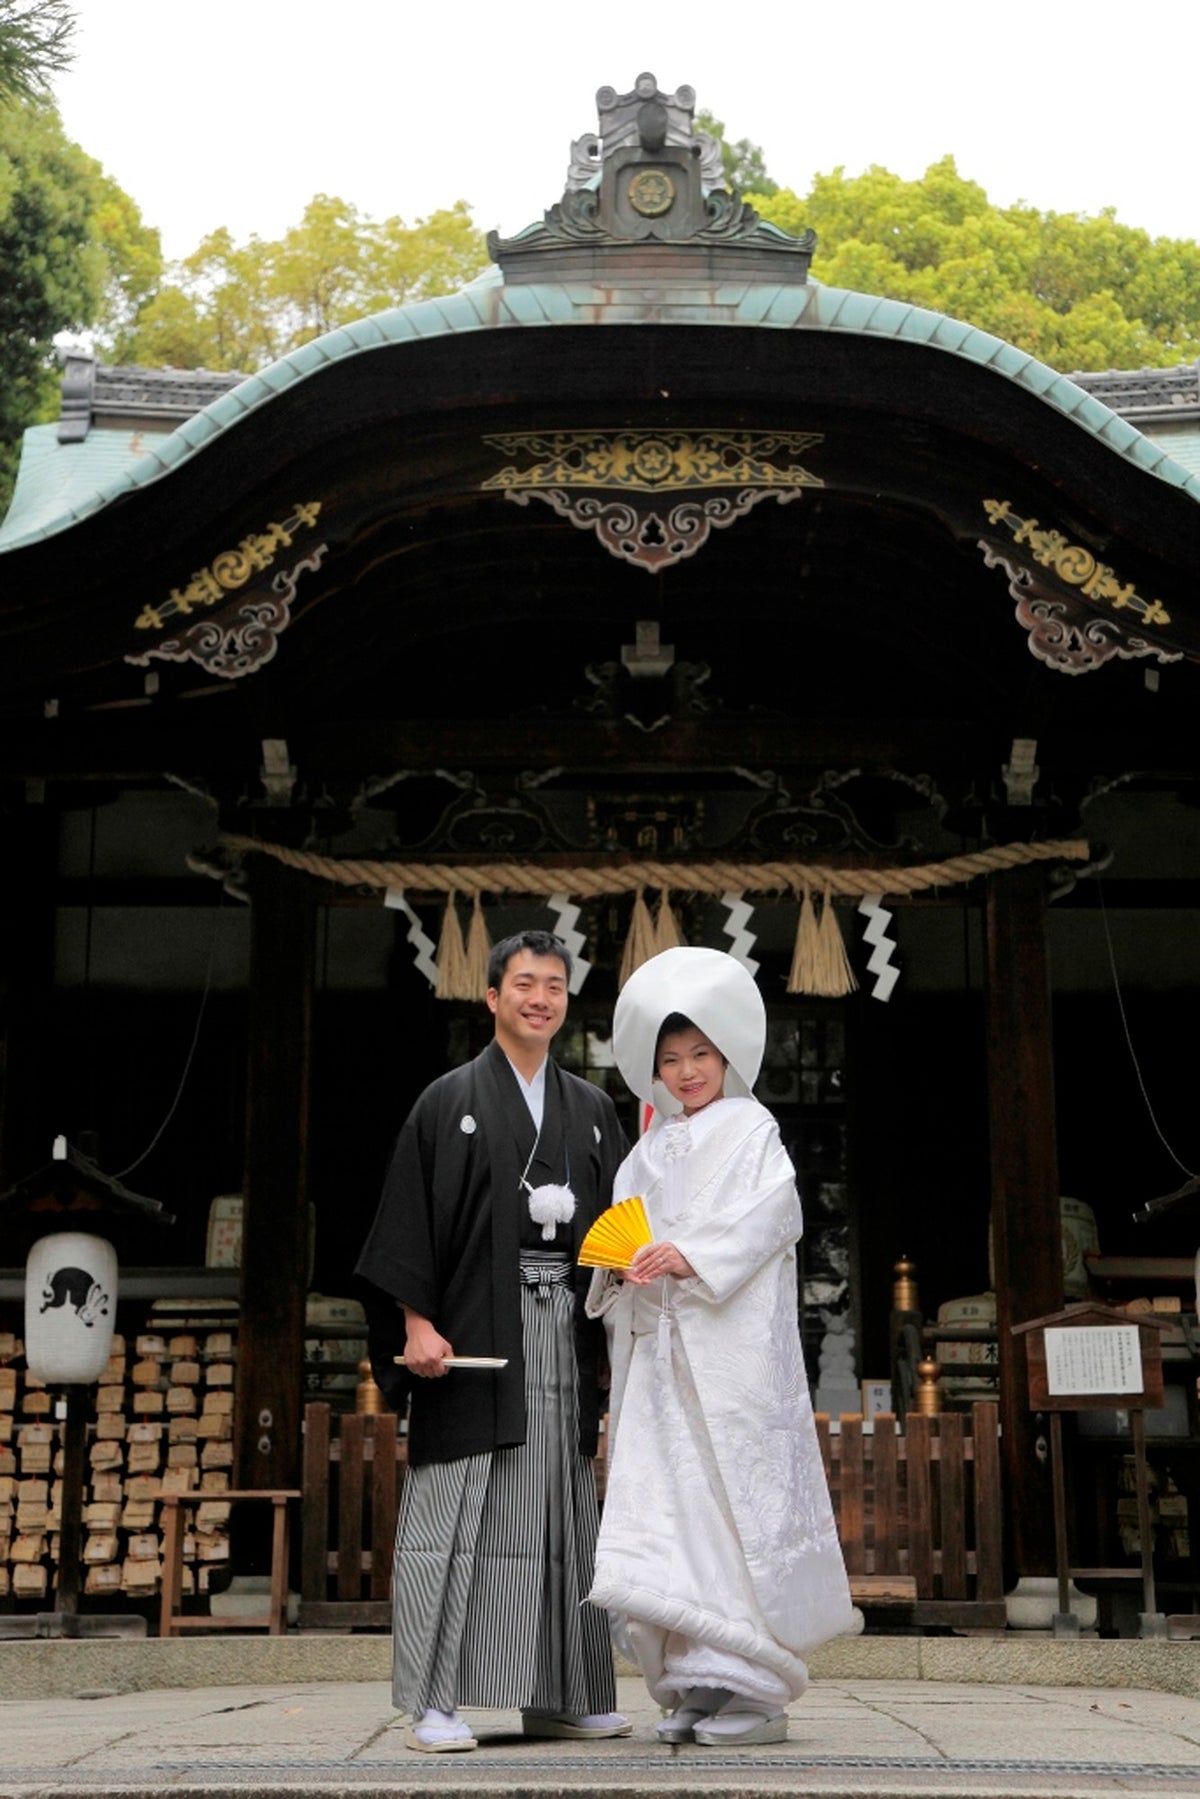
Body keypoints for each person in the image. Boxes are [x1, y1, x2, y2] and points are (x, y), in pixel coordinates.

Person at [356, 928, 631, 1753]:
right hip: (476, 1328)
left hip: (564, 1329)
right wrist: (415, 1323)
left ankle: (562, 1693)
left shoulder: (590, 1109)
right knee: (456, 1509)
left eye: (553, 984)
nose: (539, 997)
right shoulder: (448, 1099)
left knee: (559, 1506)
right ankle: (435, 1699)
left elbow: (621, 1228)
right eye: (523, 983)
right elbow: (407, 1221)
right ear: (492, 997)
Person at [586, 946, 856, 1747]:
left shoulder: (753, 1128)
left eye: (700, 1053)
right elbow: (612, 1250)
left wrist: (692, 1253)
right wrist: (626, 1268)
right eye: (671, 1058)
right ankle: (695, 1680)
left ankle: (757, 1688)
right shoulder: (645, 1151)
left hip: (727, 1362)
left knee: (727, 1510)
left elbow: (773, 1218)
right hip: (663, 1361)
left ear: (725, 1054)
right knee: (673, 1511)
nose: (687, 1070)